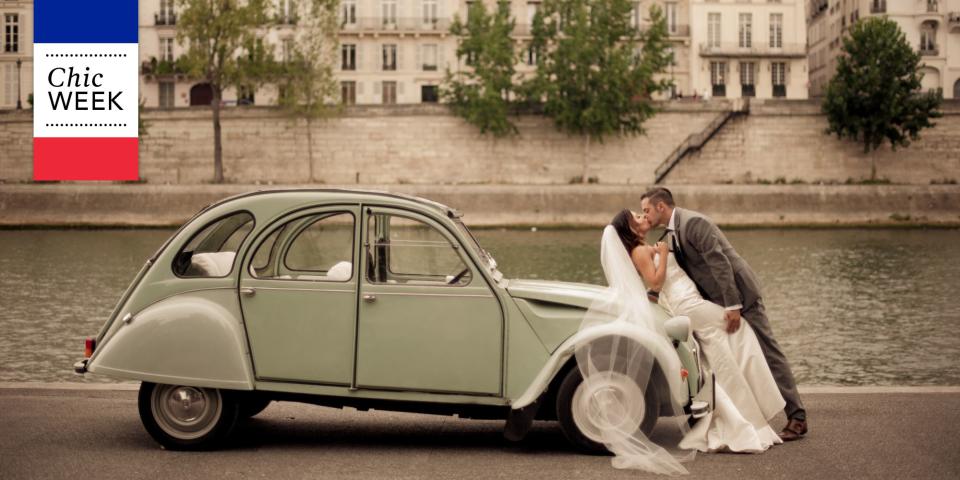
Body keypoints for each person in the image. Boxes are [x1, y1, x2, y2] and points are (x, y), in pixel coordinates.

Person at [639, 187, 808, 441]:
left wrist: (732, 306)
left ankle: (797, 417)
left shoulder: (694, 223)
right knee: (721, 353)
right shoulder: (670, 234)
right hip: (714, 301)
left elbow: (720, 263)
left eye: (647, 210)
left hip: (741, 295)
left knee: (766, 350)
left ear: (661, 207)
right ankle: (735, 409)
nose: (646, 215)